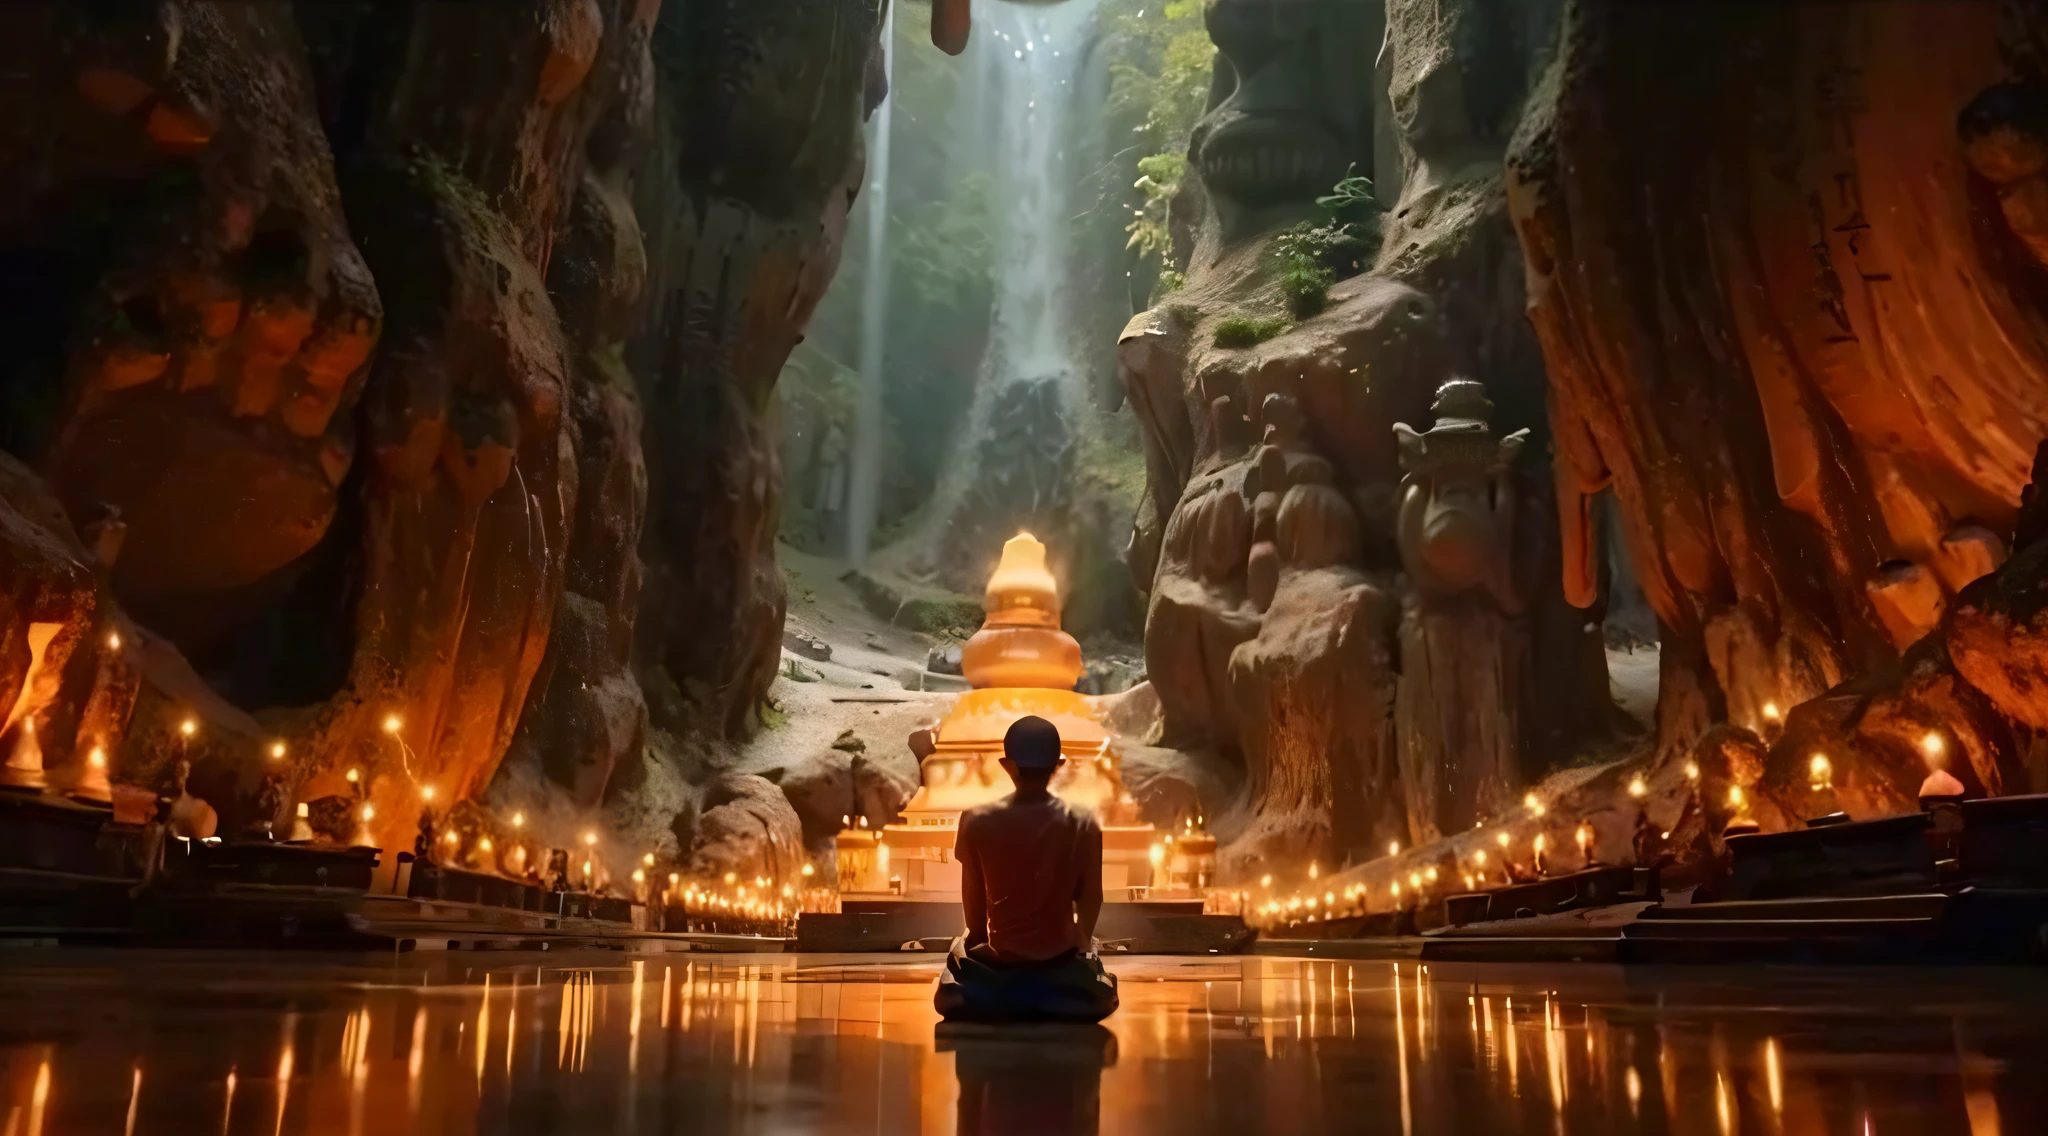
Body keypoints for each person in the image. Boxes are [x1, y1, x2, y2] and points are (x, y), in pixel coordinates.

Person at [934, 715, 1118, 1023]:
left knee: (958, 961)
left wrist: (976, 942)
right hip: (1060, 960)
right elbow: (1091, 898)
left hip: (1001, 961)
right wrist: (1084, 951)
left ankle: (999, 995)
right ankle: (1064, 993)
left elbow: (975, 913)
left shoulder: (976, 819)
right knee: (1096, 983)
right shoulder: (1084, 822)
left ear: (1008, 765)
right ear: (1057, 765)